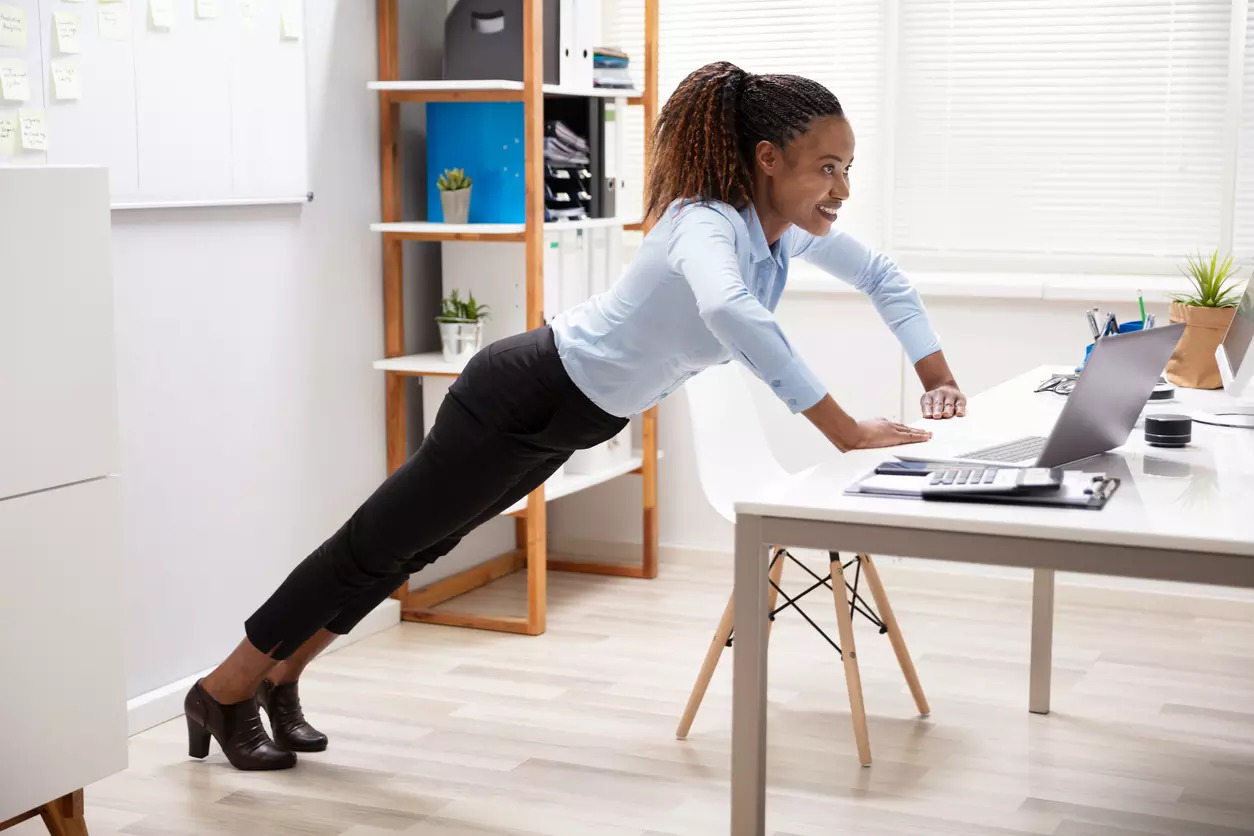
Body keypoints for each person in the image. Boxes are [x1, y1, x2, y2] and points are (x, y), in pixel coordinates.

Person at [183, 60, 968, 771]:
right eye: (827, 168)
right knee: (373, 544)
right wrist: (843, 428)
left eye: (847, 169)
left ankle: (281, 677)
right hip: (521, 393)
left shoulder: (779, 237)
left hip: (573, 417)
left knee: (415, 547)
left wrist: (935, 376)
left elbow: (883, 275)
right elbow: (730, 311)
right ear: (769, 159)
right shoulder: (704, 224)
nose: (841, 188)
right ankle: (222, 690)